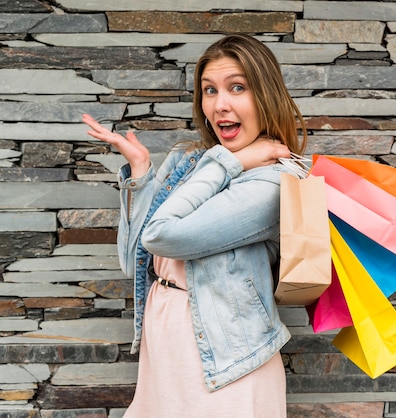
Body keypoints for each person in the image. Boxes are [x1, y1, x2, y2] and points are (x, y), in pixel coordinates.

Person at [82, 33, 307, 417]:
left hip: (226, 360)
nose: (220, 105)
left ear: (266, 95)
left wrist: (230, 162)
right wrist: (140, 174)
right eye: (209, 90)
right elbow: (135, 258)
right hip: (166, 341)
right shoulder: (189, 161)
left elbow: (161, 234)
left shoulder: (270, 182)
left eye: (238, 87)